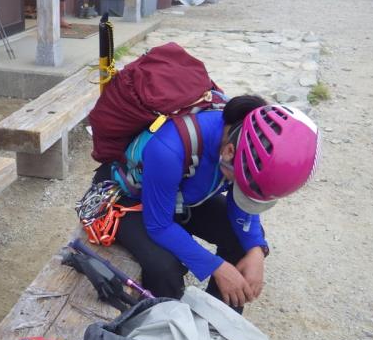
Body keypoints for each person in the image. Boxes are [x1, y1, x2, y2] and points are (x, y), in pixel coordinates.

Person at [93, 95, 320, 311]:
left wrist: (256, 249)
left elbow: (242, 204)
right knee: (165, 268)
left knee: (243, 241)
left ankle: (216, 323)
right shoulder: (170, 148)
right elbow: (159, 225)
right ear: (229, 152)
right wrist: (216, 266)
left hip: (181, 195)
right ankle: (164, 326)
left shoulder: (241, 136)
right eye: (239, 182)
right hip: (127, 199)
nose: (238, 188)